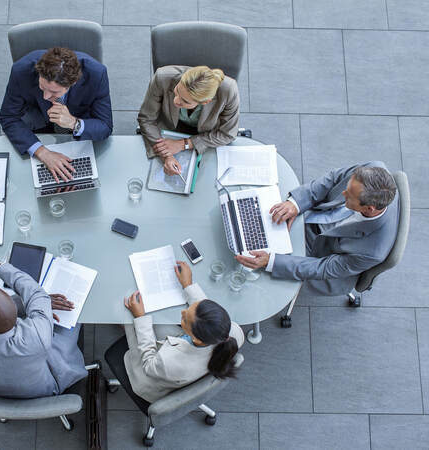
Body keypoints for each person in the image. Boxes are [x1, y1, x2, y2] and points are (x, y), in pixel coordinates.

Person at [236, 161, 399, 296]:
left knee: (251, 273)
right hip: (316, 216)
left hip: (322, 255)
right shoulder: (373, 169)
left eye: (349, 196)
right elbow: (334, 178)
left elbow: (324, 268)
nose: (343, 194)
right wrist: (296, 204)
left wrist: (271, 261)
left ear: (369, 209)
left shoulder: (372, 251)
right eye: (347, 189)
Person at [0, 251, 88, 398]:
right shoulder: (36, 337)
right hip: (46, 389)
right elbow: (35, 293)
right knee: (76, 315)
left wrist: (25, 304)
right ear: (17, 316)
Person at [105, 261, 244, 406]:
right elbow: (205, 312)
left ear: (195, 337)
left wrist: (140, 317)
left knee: (123, 310)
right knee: (153, 318)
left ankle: (125, 323)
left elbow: (148, 363)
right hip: (183, 358)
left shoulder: (167, 362)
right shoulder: (233, 332)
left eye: (184, 318)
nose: (183, 312)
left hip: (150, 375)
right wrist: (187, 285)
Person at [0, 47, 113, 183]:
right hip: (38, 119)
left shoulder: (97, 74)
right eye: (42, 87)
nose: (46, 96)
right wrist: (42, 153)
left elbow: (105, 126)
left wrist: (74, 123)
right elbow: (8, 117)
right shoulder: (20, 71)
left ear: (73, 83)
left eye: (54, 92)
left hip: (79, 123)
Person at [137, 65, 239, 176]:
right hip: (168, 130)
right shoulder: (162, 77)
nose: (176, 101)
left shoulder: (229, 91)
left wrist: (184, 144)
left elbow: (228, 134)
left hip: (207, 136)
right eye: (177, 91)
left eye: (185, 101)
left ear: (205, 102)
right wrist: (166, 155)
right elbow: (147, 119)